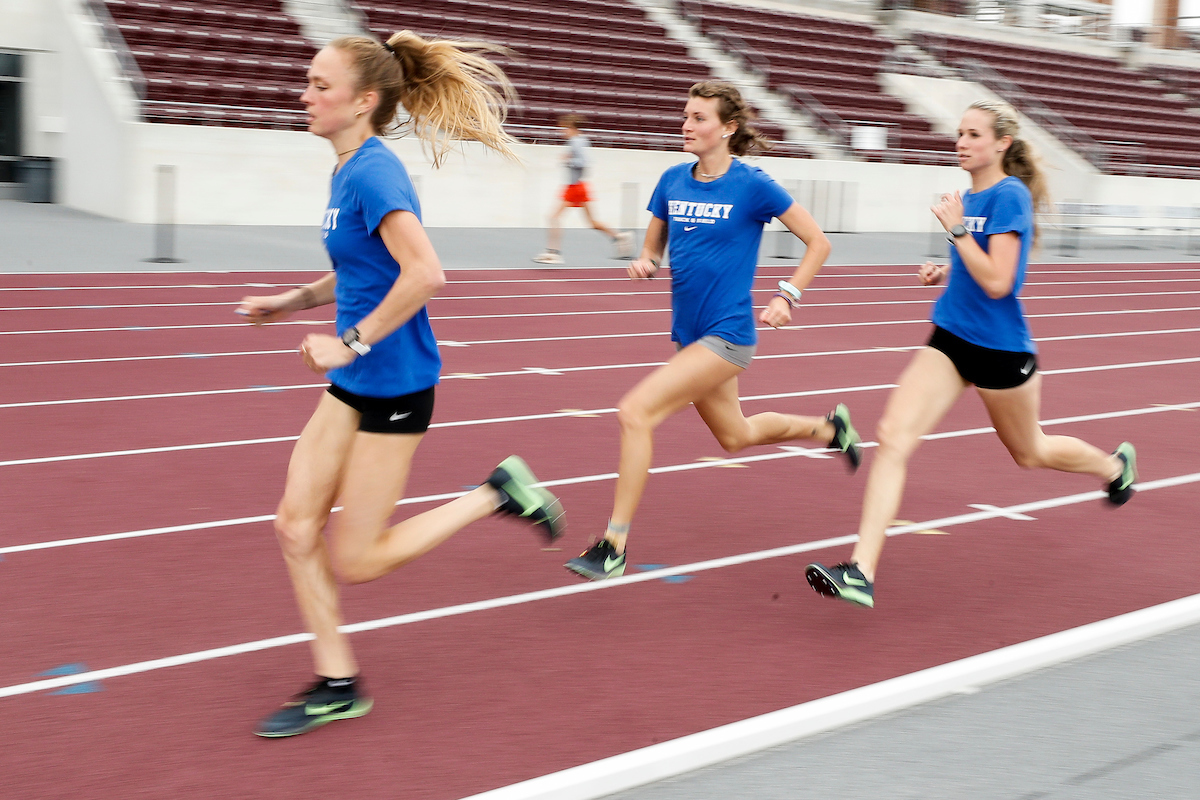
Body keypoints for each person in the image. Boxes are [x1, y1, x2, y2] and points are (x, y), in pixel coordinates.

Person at [237, 31, 565, 737]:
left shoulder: (373, 172)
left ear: (365, 102)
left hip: (393, 385)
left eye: (322, 85)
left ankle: (494, 493)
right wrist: (291, 304)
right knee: (295, 526)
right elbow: (361, 271)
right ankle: (337, 681)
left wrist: (347, 341)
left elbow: (427, 273)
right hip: (354, 379)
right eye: (310, 81)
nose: (307, 94)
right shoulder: (347, 168)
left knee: (357, 558)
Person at [805, 100, 1137, 609]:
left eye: (973, 134)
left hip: (1001, 351)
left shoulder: (1010, 195)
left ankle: (1114, 467)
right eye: (959, 133)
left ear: (1001, 143)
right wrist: (947, 269)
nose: (961, 141)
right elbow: (976, 262)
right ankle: (860, 572)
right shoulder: (973, 195)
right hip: (952, 337)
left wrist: (958, 232)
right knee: (893, 435)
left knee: (1031, 452)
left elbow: (1001, 282)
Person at [564, 81, 862, 582]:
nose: (687, 125)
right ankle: (829, 428)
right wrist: (646, 260)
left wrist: (787, 296)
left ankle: (612, 545)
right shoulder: (671, 180)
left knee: (635, 411)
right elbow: (655, 243)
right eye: (686, 116)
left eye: (699, 118)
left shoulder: (753, 186)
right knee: (735, 434)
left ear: (728, 128)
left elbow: (818, 242)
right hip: (688, 333)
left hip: (728, 335)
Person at [532, 113, 634, 264]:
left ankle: (553, 253)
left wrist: (568, 161)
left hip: (575, 187)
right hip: (578, 186)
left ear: (571, 128)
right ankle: (620, 237)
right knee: (592, 222)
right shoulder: (579, 141)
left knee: (553, 217)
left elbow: (584, 162)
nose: (562, 132)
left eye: (564, 128)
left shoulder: (576, 142)